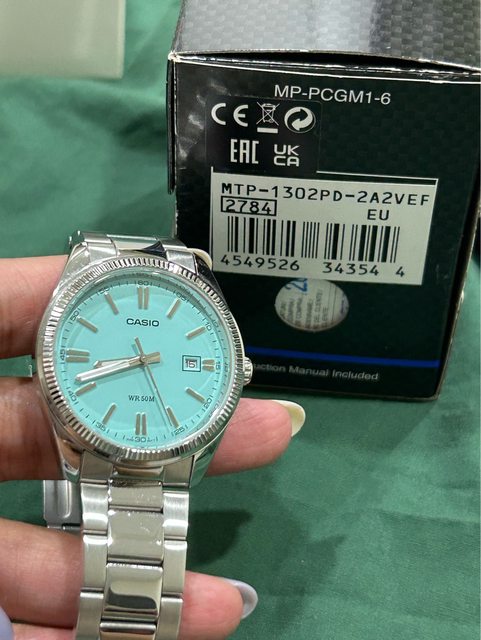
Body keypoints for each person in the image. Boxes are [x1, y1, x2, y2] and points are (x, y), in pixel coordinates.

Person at [0, 255, 305, 640]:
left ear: (237, 370)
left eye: (145, 359)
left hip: (171, 446)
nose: (145, 361)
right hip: (95, 442)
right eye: (142, 360)